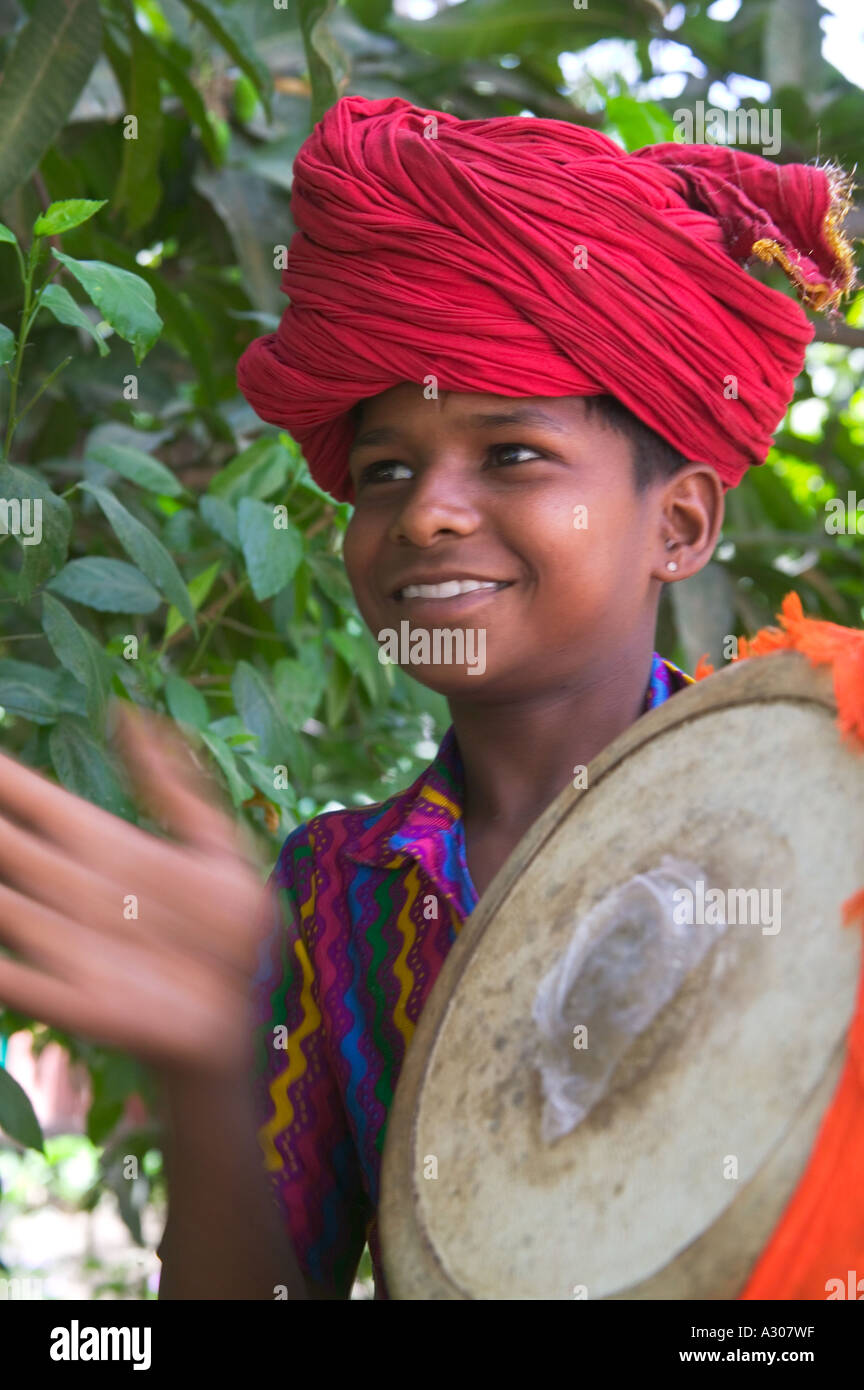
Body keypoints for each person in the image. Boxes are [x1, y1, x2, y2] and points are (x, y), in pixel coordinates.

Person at [0, 95, 854, 1300]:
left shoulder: (828, 797)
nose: (428, 512)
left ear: (679, 523)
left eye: (511, 454)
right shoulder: (330, 900)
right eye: (386, 468)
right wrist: (206, 1072)